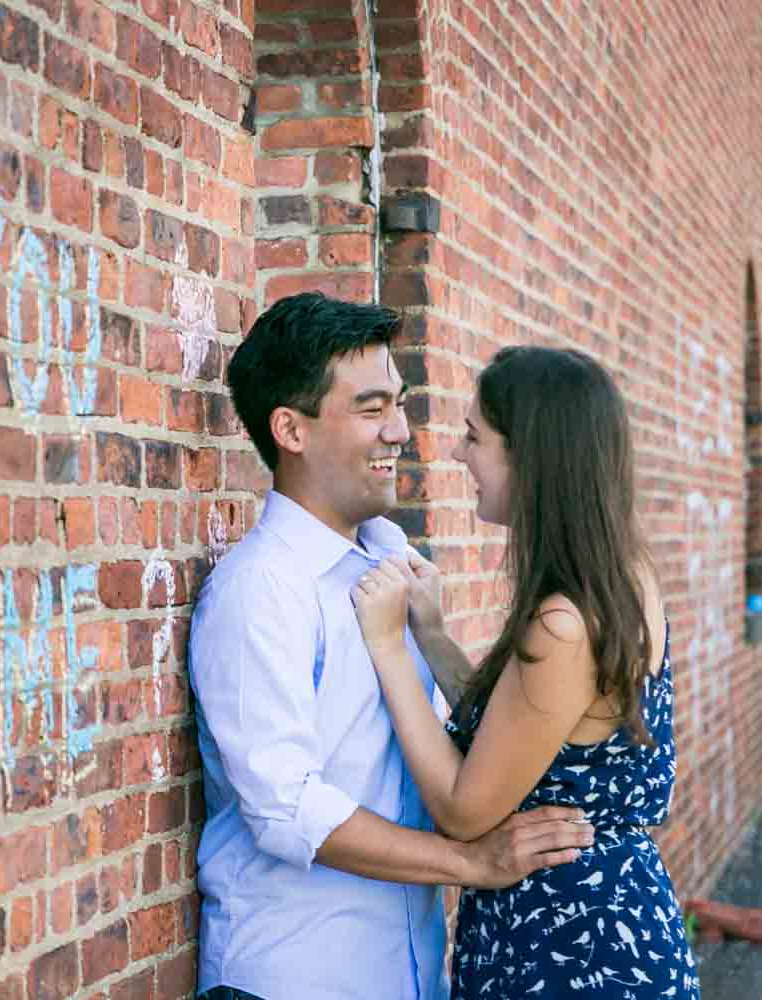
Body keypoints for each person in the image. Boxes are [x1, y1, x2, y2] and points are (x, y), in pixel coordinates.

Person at [190, 294, 594, 1000]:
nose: (400, 431)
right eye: (372, 407)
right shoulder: (259, 589)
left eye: (398, 404)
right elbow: (287, 809)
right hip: (296, 978)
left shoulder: (389, 557)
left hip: (407, 976)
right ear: (291, 428)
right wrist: (471, 862)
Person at [350, 345, 699, 998]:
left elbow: (463, 808)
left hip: (575, 950)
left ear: (529, 458)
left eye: (475, 438)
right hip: (597, 926)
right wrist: (430, 635)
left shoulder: (565, 625)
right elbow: (518, 734)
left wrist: (390, 649)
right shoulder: (620, 576)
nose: (460, 455)